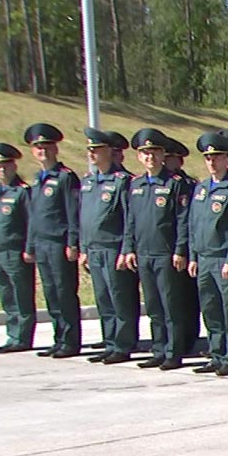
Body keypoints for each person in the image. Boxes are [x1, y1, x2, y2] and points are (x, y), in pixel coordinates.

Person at [122, 128, 195, 370]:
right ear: (139, 156)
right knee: (153, 306)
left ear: (163, 154)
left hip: (167, 254)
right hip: (144, 253)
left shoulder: (174, 184)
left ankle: (174, 351)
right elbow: (131, 220)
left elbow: (183, 219)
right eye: (145, 152)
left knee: (171, 305)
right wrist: (128, 248)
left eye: (154, 152)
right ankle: (158, 349)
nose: (150, 156)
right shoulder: (136, 185)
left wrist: (181, 250)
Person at [186, 132, 228, 376]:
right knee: (210, 308)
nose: (212, 162)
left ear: (227, 159)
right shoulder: (201, 189)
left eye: (217, 157)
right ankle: (215, 353)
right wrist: (193, 256)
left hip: (223, 259)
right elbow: (193, 225)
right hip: (204, 258)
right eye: (208, 158)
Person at [22, 122, 83, 358]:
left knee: (65, 291)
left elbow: (72, 213)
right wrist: (30, 245)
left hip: (60, 244)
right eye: (38, 147)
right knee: (51, 293)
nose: (42, 151)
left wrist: (73, 242)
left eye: (47, 146)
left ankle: (70, 340)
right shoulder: (38, 180)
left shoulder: (65, 177)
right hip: (42, 244)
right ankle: (59, 338)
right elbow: (33, 217)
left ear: (56, 149)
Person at [78, 128, 138, 364]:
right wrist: (83, 248)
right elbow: (83, 218)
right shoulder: (89, 182)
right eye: (90, 150)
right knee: (103, 297)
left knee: (119, 297)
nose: (92, 154)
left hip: (114, 249)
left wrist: (126, 249)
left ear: (109, 152)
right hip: (94, 249)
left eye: (97, 150)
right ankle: (110, 341)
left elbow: (129, 219)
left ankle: (123, 344)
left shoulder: (122, 181)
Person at [0, 143, 36, 353]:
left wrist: (29, 248)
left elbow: (31, 223)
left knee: (21, 295)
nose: (2, 169)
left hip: (17, 251)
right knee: (6, 294)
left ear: (14, 165)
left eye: (6, 164)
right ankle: (12, 335)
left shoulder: (22, 192)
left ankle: (22, 338)